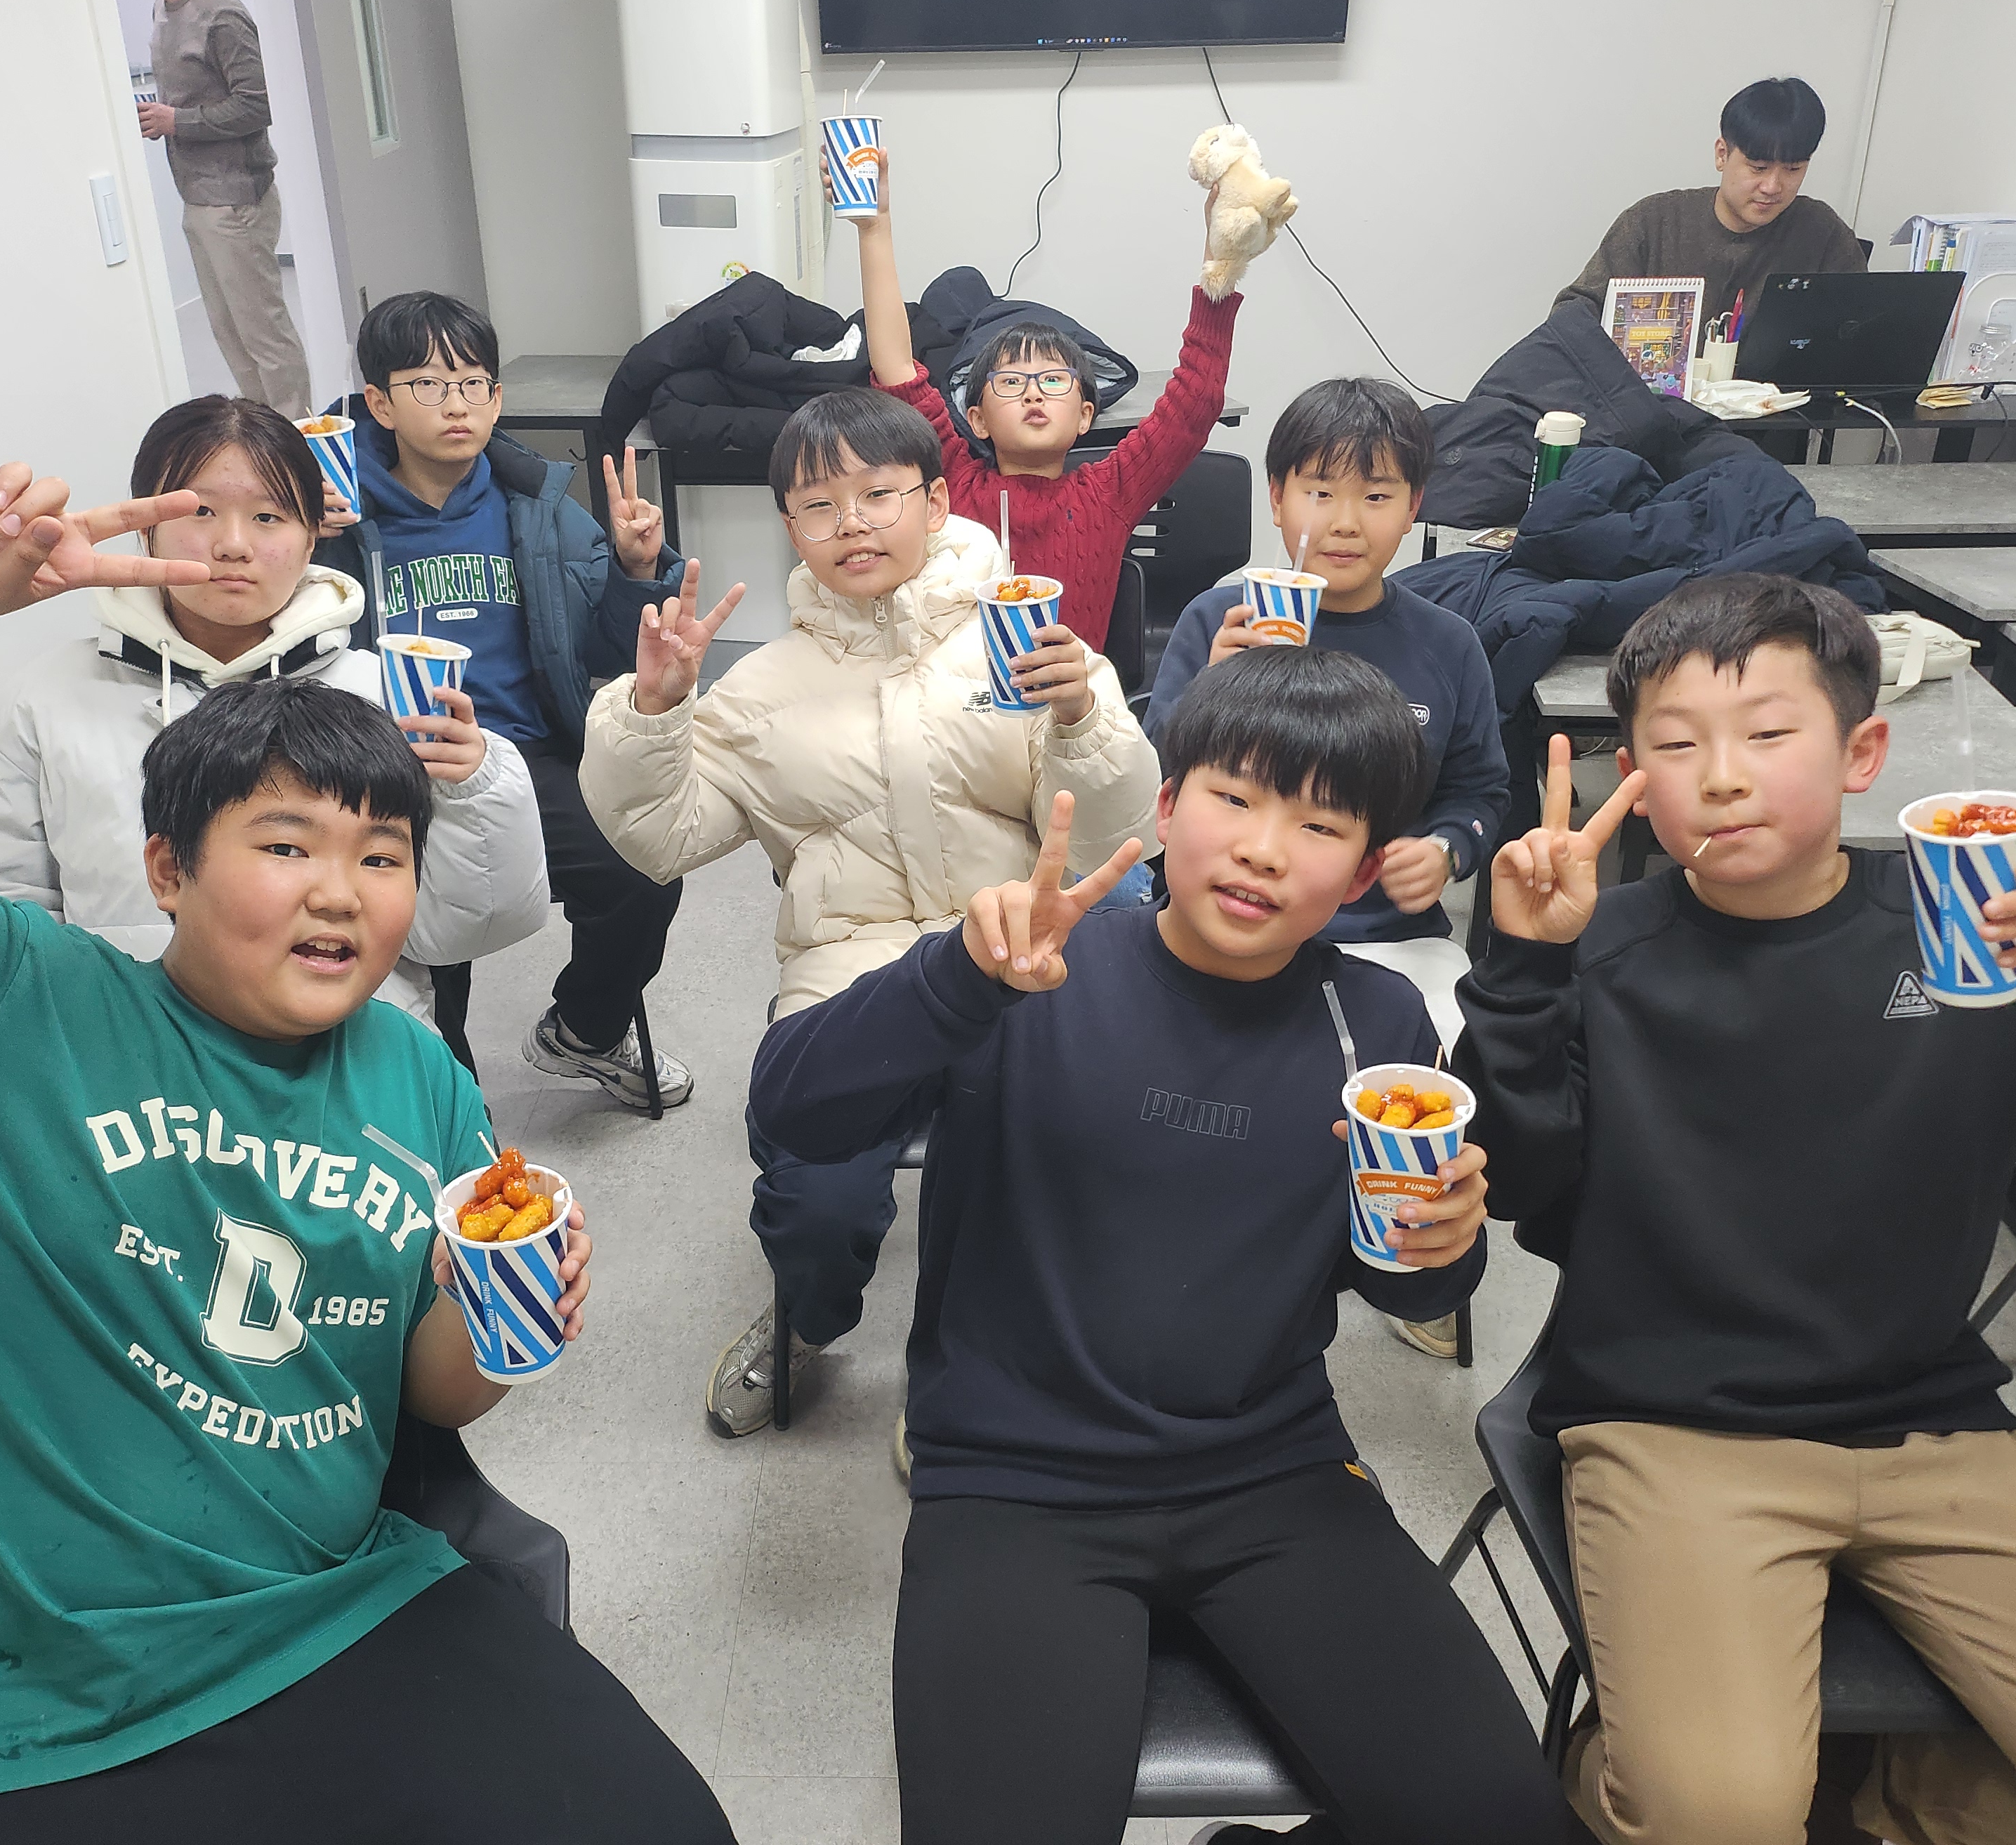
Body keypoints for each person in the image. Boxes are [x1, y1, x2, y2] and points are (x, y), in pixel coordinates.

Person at [0, 468, 742, 1845]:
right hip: (30, 1691)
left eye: (382, 857)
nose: (342, 893)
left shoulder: (413, 1071)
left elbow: (428, 1387)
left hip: (337, 1612)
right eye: (286, 846)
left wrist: (501, 1318)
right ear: (166, 868)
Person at [1458, 574, 2016, 1845]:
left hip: (1932, 1427)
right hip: (1674, 1425)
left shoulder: (1971, 934)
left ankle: (1860, 1792)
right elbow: (1520, 1189)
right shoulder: (1605, 950)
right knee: (1708, 1839)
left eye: (1770, 734)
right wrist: (1522, 968)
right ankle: (1619, 1778)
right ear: (1633, 778)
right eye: (1676, 744)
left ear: (1863, 752)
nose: (1723, 777)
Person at [751, 649, 1560, 1845]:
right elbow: (792, 1110)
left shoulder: (1373, 1020)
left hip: (1271, 1470)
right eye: (1233, 799)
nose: (1263, 850)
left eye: (1319, 826)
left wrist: (1442, 1246)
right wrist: (952, 976)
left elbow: (1407, 1284)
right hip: (1015, 1481)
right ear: (1168, 805)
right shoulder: (1034, 961)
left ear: (1367, 870)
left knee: (1496, 1839)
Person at [579, 386, 1159, 1441]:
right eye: (818, 504)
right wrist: (652, 712)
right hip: (851, 974)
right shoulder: (761, 689)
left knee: (1067, 1162)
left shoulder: (1024, 646)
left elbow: (1113, 836)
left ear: (936, 503)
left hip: (1016, 959)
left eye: (878, 494)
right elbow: (661, 838)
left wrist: (1084, 714)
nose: (850, 523)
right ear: (790, 527)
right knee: (816, 1201)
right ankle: (808, 1321)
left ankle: (992, 1357)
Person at [0, 394, 545, 1060]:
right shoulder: (48, 699)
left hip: (352, 1062)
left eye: (269, 516)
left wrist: (477, 789)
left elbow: (460, 932)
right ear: (146, 529)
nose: (234, 545)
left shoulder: (386, 694)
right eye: (200, 512)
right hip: (130, 1063)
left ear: (312, 535)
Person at [1145, 376, 1508, 1363]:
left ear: (1415, 506)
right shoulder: (1218, 618)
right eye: (1317, 490)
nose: (1344, 521)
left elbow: (1482, 789)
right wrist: (1212, 689)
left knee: (1444, 1074)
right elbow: (1155, 787)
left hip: (1382, 935)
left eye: (1376, 495)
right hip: (1227, 922)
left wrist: (1450, 849)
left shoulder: (1447, 645)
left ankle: (1403, 1244)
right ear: (1276, 499)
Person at [314, 290, 694, 1111]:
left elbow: (603, 654)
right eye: (428, 384)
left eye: (474, 384)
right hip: (387, 771)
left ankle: (586, 1031)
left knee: (643, 866)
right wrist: (296, 532)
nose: (457, 404)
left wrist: (636, 571)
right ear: (379, 402)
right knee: (413, 940)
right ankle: (451, 1113)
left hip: (524, 755)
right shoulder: (334, 514)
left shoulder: (538, 508)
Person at [841, 144, 1267, 649]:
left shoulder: (1109, 494)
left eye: (1053, 380)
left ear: (1086, 415)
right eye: (1010, 382)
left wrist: (1221, 266)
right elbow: (896, 371)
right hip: (965, 696)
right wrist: (874, 227)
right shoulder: (953, 485)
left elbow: (1195, 402)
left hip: (1078, 695)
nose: (1033, 394)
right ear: (976, 419)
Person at [126, 0, 312, 416]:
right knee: (231, 336)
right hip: (199, 200)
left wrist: (177, 121)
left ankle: (299, 446)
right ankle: (262, 439)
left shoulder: (221, 15)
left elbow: (256, 105)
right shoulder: (163, 12)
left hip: (236, 205)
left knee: (265, 338)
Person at [1558, 76, 1870, 319]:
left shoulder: (1822, 233)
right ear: (1723, 154)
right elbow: (1574, 315)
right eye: (1758, 168)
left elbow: (1858, 326)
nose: (1773, 187)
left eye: (1793, 169)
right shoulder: (1653, 224)